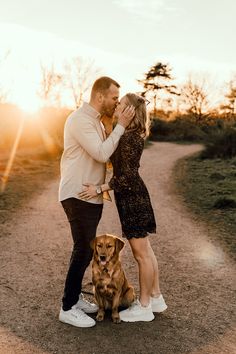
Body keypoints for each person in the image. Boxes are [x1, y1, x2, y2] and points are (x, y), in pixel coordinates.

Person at [79, 93, 167, 322]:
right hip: (132, 198)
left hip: (133, 199)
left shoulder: (129, 138)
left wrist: (100, 188)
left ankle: (145, 306)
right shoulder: (128, 134)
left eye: (122, 104)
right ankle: (156, 297)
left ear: (131, 111)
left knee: (141, 254)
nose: (117, 105)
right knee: (146, 251)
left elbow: (126, 177)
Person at [58, 77, 135, 328]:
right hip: (77, 195)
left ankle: (75, 300)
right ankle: (67, 308)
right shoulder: (80, 120)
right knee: (83, 249)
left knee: (86, 250)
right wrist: (122, 125)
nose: (116, 102)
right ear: (100, 96)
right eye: (114, 98)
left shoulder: (96, 121)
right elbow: (101, 153)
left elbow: (104, 156)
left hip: (90, 196)